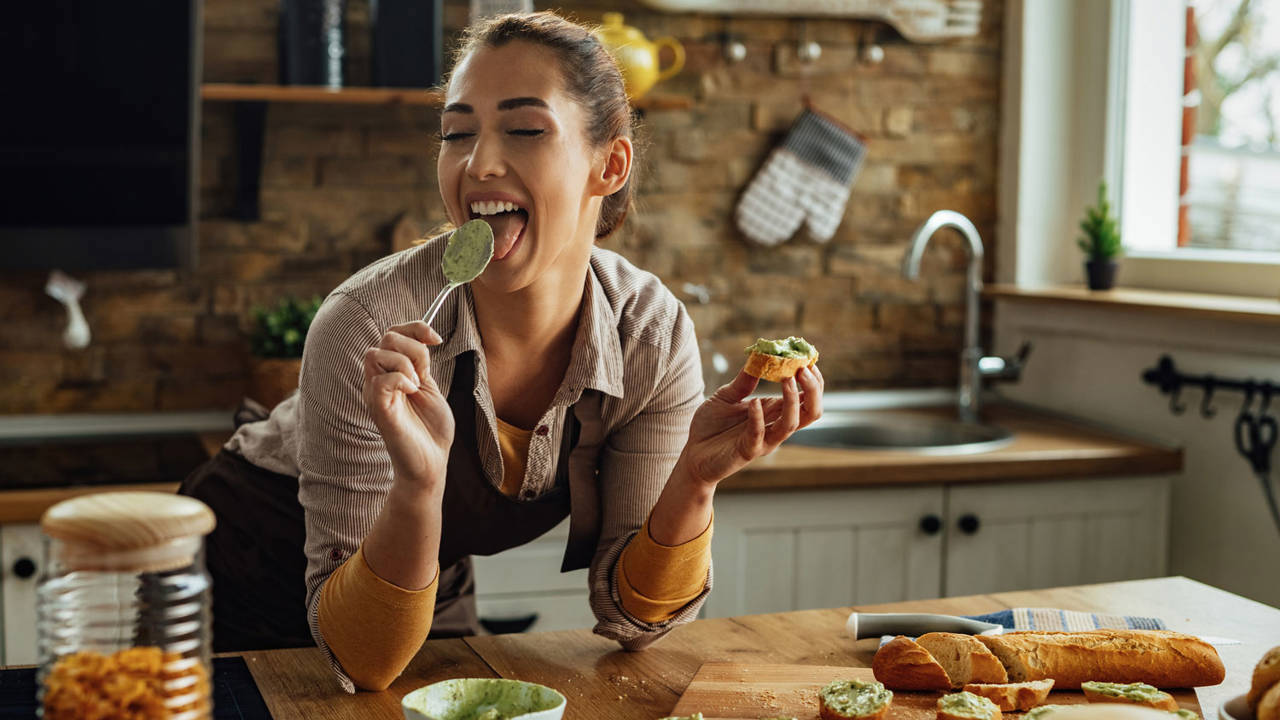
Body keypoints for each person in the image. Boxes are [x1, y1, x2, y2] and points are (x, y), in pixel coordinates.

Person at [180, 11, 824, 693]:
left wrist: (692, 483)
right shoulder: (367, 325)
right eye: (457, 133)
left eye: (523, 129)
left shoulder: (650, 333)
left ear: (609, 164)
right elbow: (357, 660)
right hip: (248, 574)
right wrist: (417, 486)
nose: (478, 162)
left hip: (422, 564)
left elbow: (635, 620)